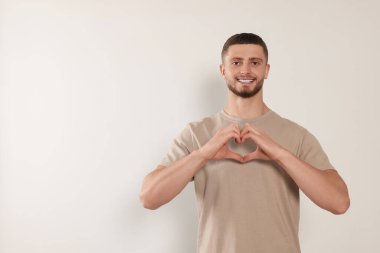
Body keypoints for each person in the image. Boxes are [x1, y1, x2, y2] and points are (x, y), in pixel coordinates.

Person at [139, 33, 350, 253]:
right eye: (236, 62)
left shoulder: (296, 135)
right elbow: (149, 197)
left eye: (255, 63)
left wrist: (280, 154)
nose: (245, 70)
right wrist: (203, 154)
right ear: (223, 70)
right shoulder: (196, 134)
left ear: (266, 70)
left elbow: (339, 203)